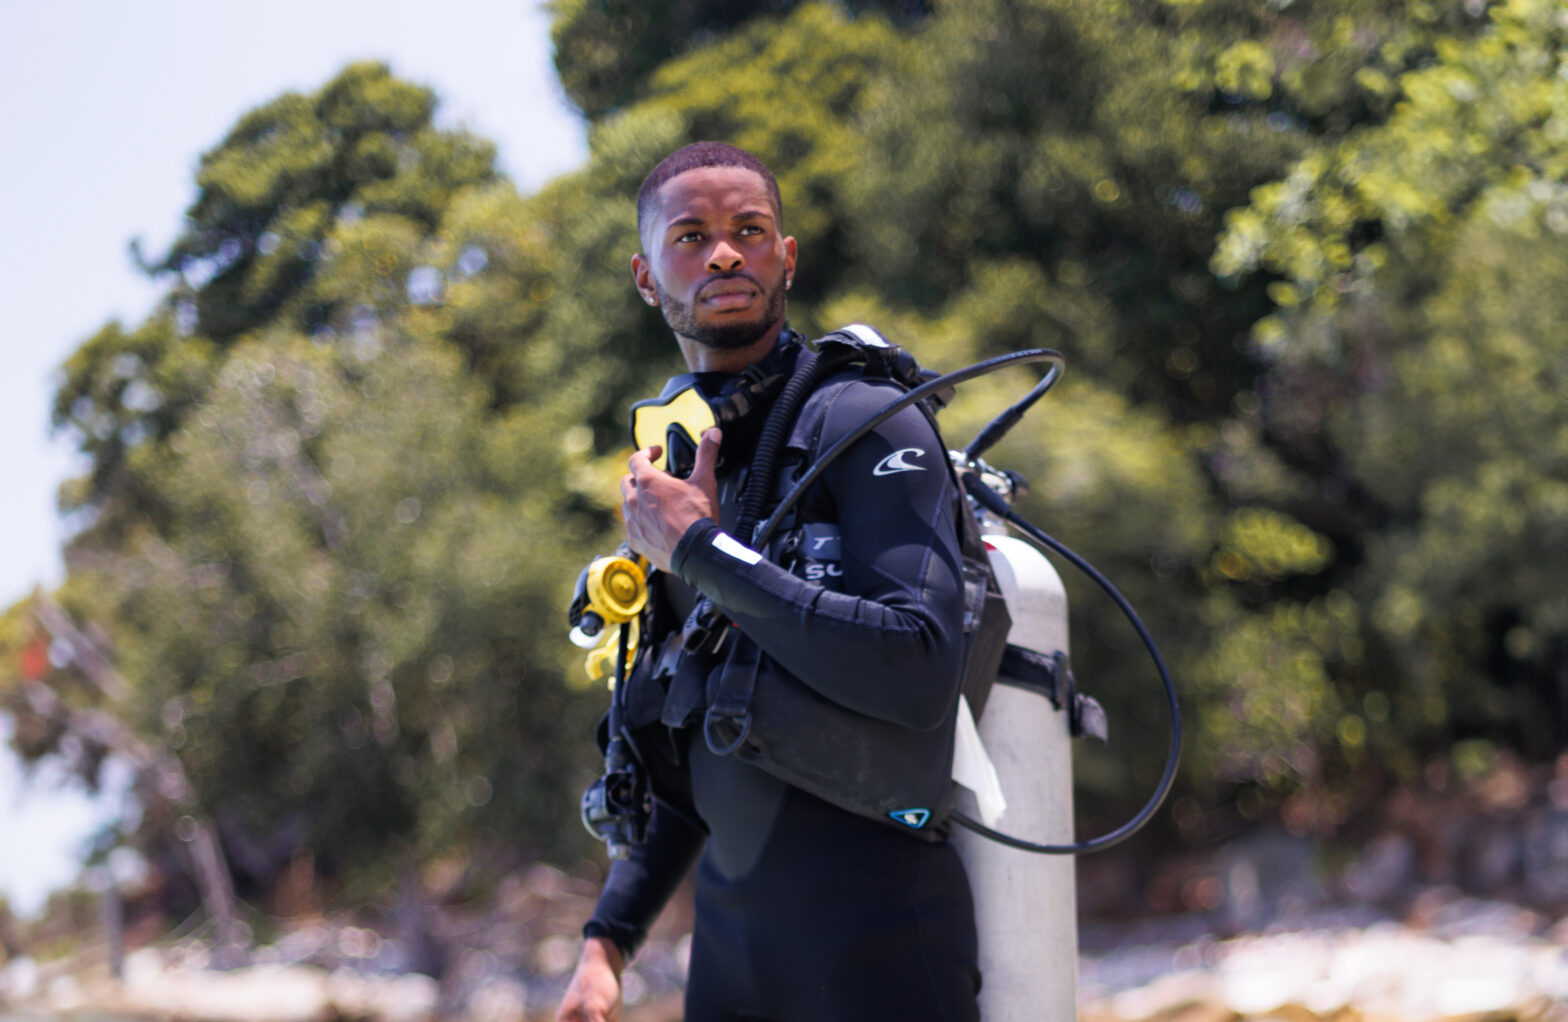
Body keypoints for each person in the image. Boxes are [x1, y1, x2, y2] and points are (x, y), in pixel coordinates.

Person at [556, 142, 980, 1022]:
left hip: (881, 955)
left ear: (785, 257)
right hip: (731, 962)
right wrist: (608, 944)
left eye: (750, 231)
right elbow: (690, 734)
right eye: (691, 236)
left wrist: (703, 550)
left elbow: (918, 667)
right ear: (646, 276)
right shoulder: (681, 469)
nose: (723, 254)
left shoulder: (862, 421)